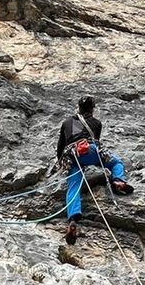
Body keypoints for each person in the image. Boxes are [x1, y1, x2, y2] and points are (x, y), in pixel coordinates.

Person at [56, 95, 132, 244]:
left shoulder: (67, 122)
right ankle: (117, 181)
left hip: (73, 156)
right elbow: (94, 140)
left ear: (79, 107)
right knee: (116, 163)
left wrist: (60, 163)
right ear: (92, 109)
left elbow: (61, 146)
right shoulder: (96, 122)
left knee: (74, 185)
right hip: (90, 151)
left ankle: (73, 218)